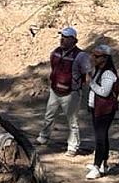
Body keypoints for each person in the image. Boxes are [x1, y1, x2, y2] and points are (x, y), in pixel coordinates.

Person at [36, 26, 93, 155]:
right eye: (62, 36)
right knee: (49, 115)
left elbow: (88, 74)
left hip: (71, 93)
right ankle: (43, 137)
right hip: (55, 90)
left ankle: (73, 147)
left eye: (66, 37)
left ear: (73, 40)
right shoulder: (56, 52)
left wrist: (88, 90)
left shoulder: (81, 56)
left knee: (72, 122)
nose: (62, 39)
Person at [85, 43, 119, 180]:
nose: (94, 58)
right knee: (102, 137)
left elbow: (104, 92)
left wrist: (91, 82)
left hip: (105, 110)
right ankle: (102, 164)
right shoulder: (99, 70)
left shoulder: (107, 73)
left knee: (100, 138)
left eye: (97, 56)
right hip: (98, 109)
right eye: (94, 55)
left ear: (105, 58)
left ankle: (97, 166)